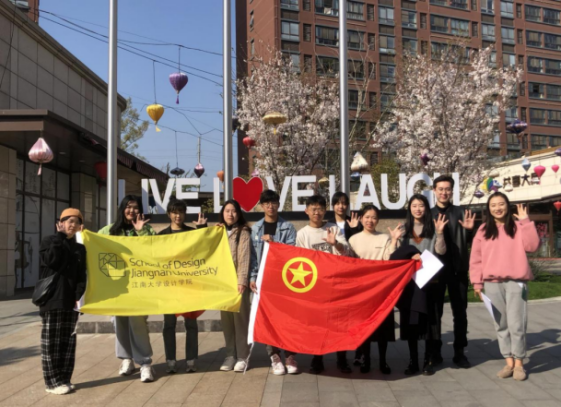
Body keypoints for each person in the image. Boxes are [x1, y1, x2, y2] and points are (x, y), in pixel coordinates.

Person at [470, 193, 539, 381]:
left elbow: (533, 246)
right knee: (500, 323)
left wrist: (526, 222)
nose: (497, 208)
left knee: (517, 323)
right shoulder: (483, 230)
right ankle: (509, 362)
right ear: (488, 209)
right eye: (493, 205)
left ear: (507, 206)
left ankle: (519, 363)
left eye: (501, 204)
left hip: (516, 282)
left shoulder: (518, 227)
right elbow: (476, 258)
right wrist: (477, 282)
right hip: (492, 284)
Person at [98, 195, 156, 383]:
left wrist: (141, 232)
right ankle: (127, 359)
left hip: (139, 286)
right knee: (119, 322)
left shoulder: (146, 229)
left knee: (138, 323)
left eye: (135, 207)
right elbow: (94, 244)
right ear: (122, 209)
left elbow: (154, 250)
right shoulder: (109, 230)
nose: (131, 211)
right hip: (117, 286)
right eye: (128, 207)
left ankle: (145, 363)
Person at [296, 194, 353, 374]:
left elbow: (347, 253)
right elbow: (300, 261)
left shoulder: (333, 229)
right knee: (317, 325)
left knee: (339, 324)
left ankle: (342, 359)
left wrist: (335, 244)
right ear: (306, 211)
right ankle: (317, 358)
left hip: (336, 285)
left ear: (325, 211)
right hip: (315, 287)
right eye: (313, 209)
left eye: (320, 209)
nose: (317, 212)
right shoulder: (302, 234)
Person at [348, 205, 403, 374]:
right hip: (362, 291)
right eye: (367, 217)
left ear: (378, 220)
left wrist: (394, 241)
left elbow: (389, 259)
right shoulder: (354, 239)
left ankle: (383, 361)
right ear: (361, 219)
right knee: (364, 327)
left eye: (373, 217)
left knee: (383, 327)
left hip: (381, 289)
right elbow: (349, 263)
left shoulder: (384, 238)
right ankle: (366, 360)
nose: (370, 220)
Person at [249, 190, 299, 375]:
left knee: (288, 319)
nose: (270, 206)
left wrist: (274, 242)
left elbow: (292, 253)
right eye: (267, 203)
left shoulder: (288, 227)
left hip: (284, 280)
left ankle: (290, 355)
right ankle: (274, 355)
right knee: (268, 319)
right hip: (264, 280)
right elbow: (253, 257)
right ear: (262, 206)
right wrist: (252, 277)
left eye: (273, 203)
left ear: (278, 204)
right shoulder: (256, 229)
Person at [39, 209, 86, 395]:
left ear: (80, 226)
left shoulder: (80, 248)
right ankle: (52, 383)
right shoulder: (49, 241)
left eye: (77, 222)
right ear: (61, 222)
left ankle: (64, 379)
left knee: (68, 343)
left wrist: (79, 296)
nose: (73, 224)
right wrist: (59, 237)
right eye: (69, 221)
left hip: (71, 300)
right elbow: (51, 260)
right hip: (52, 298)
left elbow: (82, 275)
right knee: (52, 343)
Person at [431, 175, 475, 368]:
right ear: (434, 190)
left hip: (458, 270)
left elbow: (472, 241)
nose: (444, 192)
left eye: (447, 189)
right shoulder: (428, 214)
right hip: (435, 272)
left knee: (460, 313)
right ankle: (435, 352)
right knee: (435, 313)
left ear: (452, 191)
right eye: (440, 189)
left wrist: (470, 231)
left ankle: (459, 352)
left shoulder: (461, 212)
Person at [158, 199, 207, 374]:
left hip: (188, 286)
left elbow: (204, 248)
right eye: (174, 212)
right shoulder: (161, 236)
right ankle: (170, 361)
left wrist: (202, 229)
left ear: (184, 214)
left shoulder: (192, 233)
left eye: (180, 212)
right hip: (169, 287)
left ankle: (191, 360)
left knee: (191, 323)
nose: (177, 216)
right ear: (169, 214)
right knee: (169, 324)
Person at [401, 194, 448, 376]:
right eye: (414, 205)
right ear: (409, 208)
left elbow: (441, 251)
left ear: (426, 208)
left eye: (421, 205)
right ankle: (413, 361)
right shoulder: (404, 229)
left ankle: (428, 360)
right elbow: (398, 255)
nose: (418, 209)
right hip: (411, 283)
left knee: (430, 322)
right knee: (411, 323)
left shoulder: (434, 227)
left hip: (430, 282)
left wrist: (440, 233)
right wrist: (398, 243)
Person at [218, 199, 252, 373]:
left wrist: (242, 280)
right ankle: (230, 354)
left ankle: (242, 356)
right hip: (222, 284)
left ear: (238, 213)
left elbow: (244, 258)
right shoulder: (218, 231)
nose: (230, 214)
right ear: (222, 213)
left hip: (237, 284)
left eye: (233, 211)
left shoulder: (243, 232)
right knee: (227, 321)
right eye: (227, 211)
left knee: (240, 320)